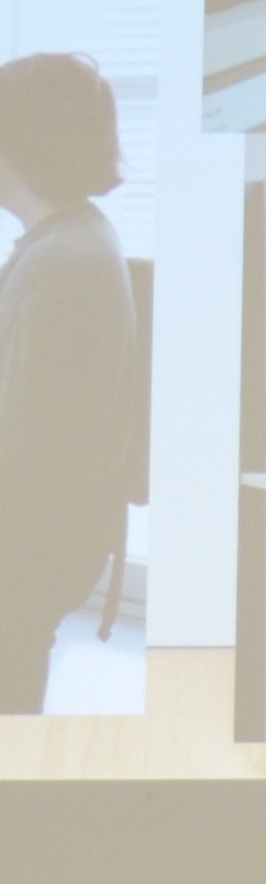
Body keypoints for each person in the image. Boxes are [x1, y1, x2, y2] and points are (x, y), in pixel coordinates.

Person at [0, 53, 143, 714]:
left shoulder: (60, 264)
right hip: (46, 531)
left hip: (29, 543)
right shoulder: (67, 238)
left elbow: (30, 446)